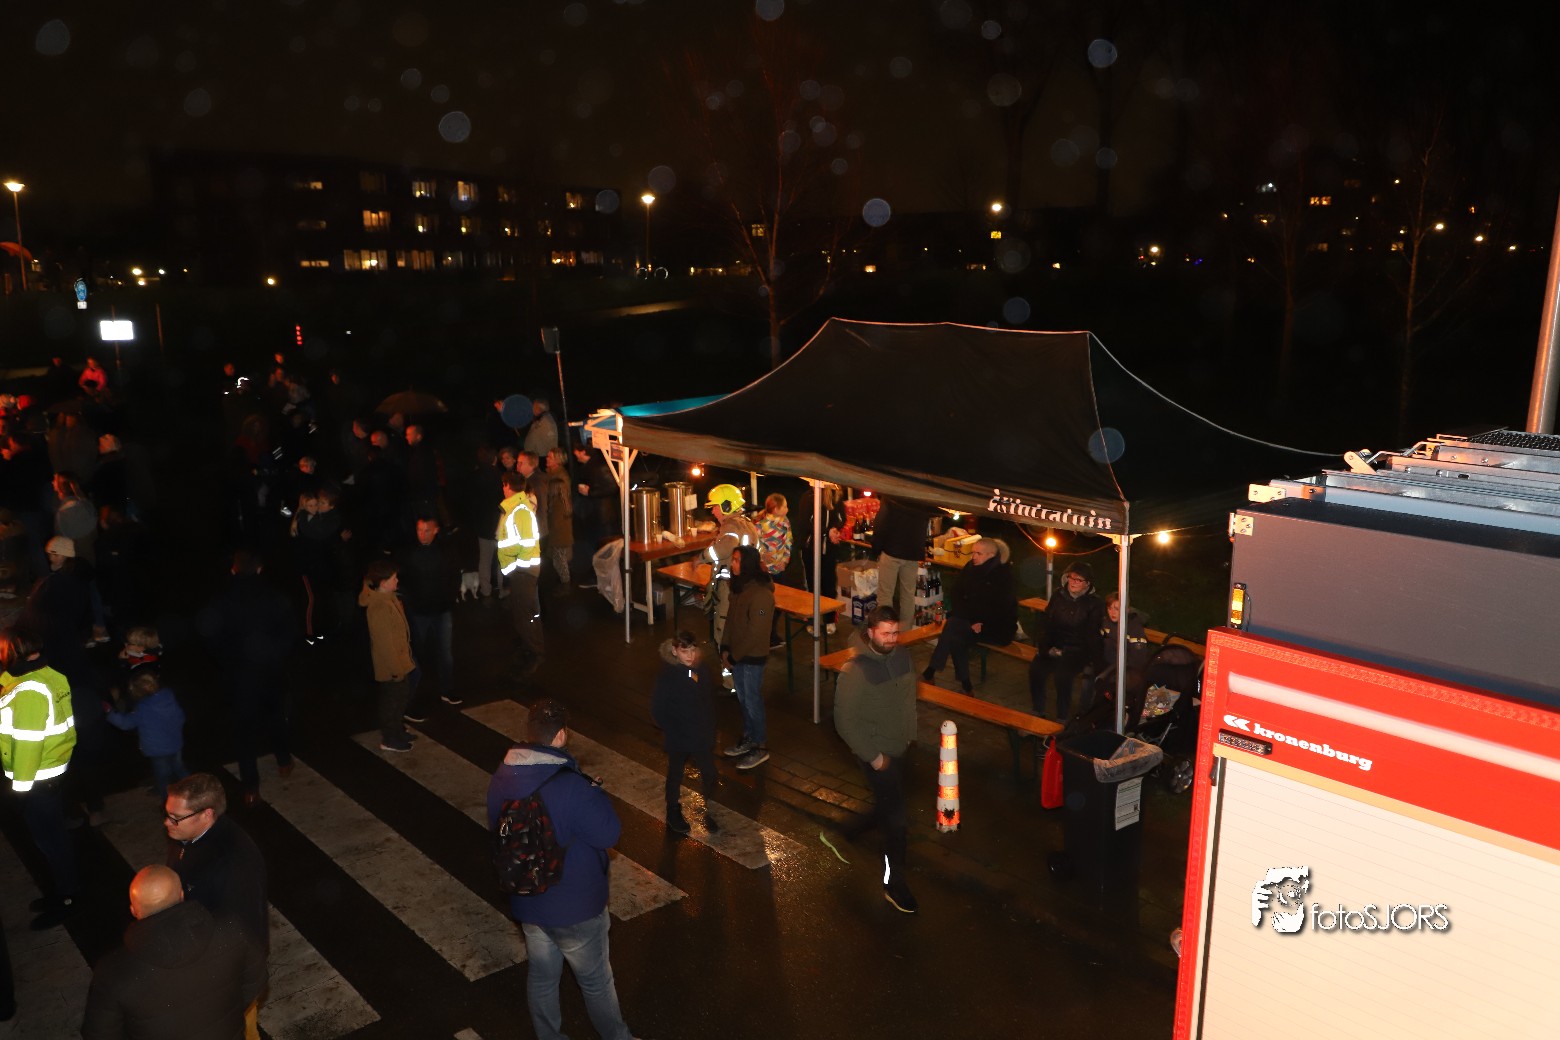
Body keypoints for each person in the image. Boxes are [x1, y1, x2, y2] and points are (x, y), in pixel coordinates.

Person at [486, 700, 635, 1040]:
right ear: (561, 736)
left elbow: (498, 827)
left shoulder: (502, 777)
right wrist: (596, 794)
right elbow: (608, 834)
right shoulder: (572, 787)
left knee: (542, 976)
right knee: (596, 982)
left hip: (529, 901)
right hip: (575, 907)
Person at [81, 865, 265, 1040]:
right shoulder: (231, 930)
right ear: (182, 895)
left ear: (134, 910)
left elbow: (100, 1034)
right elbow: (256, 979)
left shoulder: (113, 972)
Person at [833, 606, 919, 914]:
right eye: (885, 633)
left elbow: (909, 699)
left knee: (887, 807)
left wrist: (910, 735)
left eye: (895, 632)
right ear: (870, 632)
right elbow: (844, 721)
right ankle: (893, 884)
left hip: (900, 748)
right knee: (896, 824)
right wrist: (874, 757)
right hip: (877, 755)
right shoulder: (856, 671)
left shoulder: (902, 657)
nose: (891, 639)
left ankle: (851, 828)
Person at [196, 550, 297, 805]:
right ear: (260, 569)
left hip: (239, 674)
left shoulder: (221, 600)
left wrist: (227, 661)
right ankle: (284, 760)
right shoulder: (276, 597)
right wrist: (274, 656)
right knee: (277, 715)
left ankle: (251, 785)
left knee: (244, 728)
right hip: (271, 670)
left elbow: (210, 635)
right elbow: (289, 634)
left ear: (234, 569)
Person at [0, 626, 80, 929]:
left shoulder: (28, 692)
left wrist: (19, 790)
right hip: (51, 774)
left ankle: (68, 898)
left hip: (35, 781)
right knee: (54, 839)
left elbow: (28, 744)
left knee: (51, 843)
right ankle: (63, 891)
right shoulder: (50, 675)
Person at [922, 537, 1017, 694]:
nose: (973, 557)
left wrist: (980, 622)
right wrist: (972, 620)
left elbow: (1000, 608)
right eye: (973, 552)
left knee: (953, 629)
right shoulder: (970, 567)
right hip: (970, 621)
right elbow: (956, 593)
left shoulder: (1003, 576)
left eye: (979, 553)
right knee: (955, 634)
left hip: (996, 628)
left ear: (991, 555)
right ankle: (966, 686)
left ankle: (931, 672)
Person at [651, 631, 720, 835]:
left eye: (692, 650)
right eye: (684, 651)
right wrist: (673, 729)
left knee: (709, 772)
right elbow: (658, 709)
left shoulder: (700, 669)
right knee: (676, 773)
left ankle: (710, 805)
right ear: (675, 651)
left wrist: (711, 728)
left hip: (700, 734)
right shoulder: (668, 676)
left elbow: (708, 701)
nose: (689, 655)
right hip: (680, 736)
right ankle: (673, 809)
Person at [397, 514, 463, 717]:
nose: (422, 535)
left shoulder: (445, 551)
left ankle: (446, 689)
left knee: (445, 652)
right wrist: (408, 601)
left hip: (441, 609)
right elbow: (403, 579)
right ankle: (410, 698)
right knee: (415, 655)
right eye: (419, 530)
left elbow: (454, 576)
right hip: (418, 611)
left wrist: (449, 598)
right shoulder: (409, 552)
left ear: (435, 530)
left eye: (426, 530)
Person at [719, 545, 775, 771]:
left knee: (752, 701)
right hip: (738, 656)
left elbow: (756, 631)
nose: (732, 564)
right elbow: (731, 621)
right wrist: (725, 647)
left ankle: (760, 746)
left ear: (747, 564)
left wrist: (734, 655)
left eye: (736, 560)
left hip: (751, 658)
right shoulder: (740, 588)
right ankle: (749, 737)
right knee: (744, 699)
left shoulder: (761, 596)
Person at [1028, 562, 1102, 721]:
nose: (1073, 582)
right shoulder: (1058, 595)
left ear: (1087, 584)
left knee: (1062, 676)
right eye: (1071, 578)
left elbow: (1091, 635)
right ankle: (1038, 709)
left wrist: (1069, 652)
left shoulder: (1094, 604)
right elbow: (1047, 622)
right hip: (1054, 645)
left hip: (1076, 651)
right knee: (1036, 670)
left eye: (1078, 580)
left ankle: (1062, 716)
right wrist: (1046, 648)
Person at [359, 558, 418, 752]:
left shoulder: (389, 598)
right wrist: (396, 669)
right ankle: (390, 737)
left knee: (400, 698)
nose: (397, 581)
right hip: (393, 666)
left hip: (400, 661)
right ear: (383, 583)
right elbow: (385, 643)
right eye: (394, 578)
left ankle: (397, 730)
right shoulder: (380, 607)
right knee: (392, 701)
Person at [702, 484, 759, 680]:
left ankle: (730, 683)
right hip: (746, 588)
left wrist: (701, 557)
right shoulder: (748, 525)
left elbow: (722, 550)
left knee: (724, 633)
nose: (713, 511)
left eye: (715, 506)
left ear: (727, 506)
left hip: (729, 591)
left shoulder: (730, 527)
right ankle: (742, 679)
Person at [106, 666, 187, 798]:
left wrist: (110, 713)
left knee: (163, 775)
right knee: (179, 767)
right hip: (176, 743)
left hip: (158, 750)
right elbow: (181, 717)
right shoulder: (168, 696)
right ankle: (194, 789)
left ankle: (166, 800)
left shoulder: (142, 708)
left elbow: (125, 723)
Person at [497, 468, 544, 675]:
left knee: (525, 615)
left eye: (503, 485)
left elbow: (525, 543)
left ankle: (535, 653)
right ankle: (530, 647)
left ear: (507, 486)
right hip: (521, 570)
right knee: (524, 613)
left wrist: (513, 564)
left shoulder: (519, 511)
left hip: (523, 570)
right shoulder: (516, 509)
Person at [872, 497, 932, 628]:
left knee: (885, 595)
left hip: (891, 551)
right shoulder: (922, 498)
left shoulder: (892, 497)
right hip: (912, 553)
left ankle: (886, 631)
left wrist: (876, 549)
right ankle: (906, 633)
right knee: (908, 596)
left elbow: (880, 525)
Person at [1091, 591, 1153, 676]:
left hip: (1124, 671)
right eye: (1110, 608)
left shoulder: (1134, 627)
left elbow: (1138, 658)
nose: (1112, 612)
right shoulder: (1105, 622)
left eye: (1117, 609)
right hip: (1105, 664)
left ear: (1127, 609)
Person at [542, 447, 574, 588]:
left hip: (559, 520)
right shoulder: (551, 475)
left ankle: (566, 583)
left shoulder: (560, 478)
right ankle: (564, 581)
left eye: (550, 457)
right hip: (555, 519)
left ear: (557, 460)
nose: (546, 459)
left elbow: (565, 501)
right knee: (556, 553)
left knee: (559, 553)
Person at [523, 396, 560, 460]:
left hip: (541, 457)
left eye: (534, 407)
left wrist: (551, 458)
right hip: (535, 456)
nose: (532, 409)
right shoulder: (539, 420)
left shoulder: (547, 421)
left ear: (539, 408)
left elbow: (551, 442)